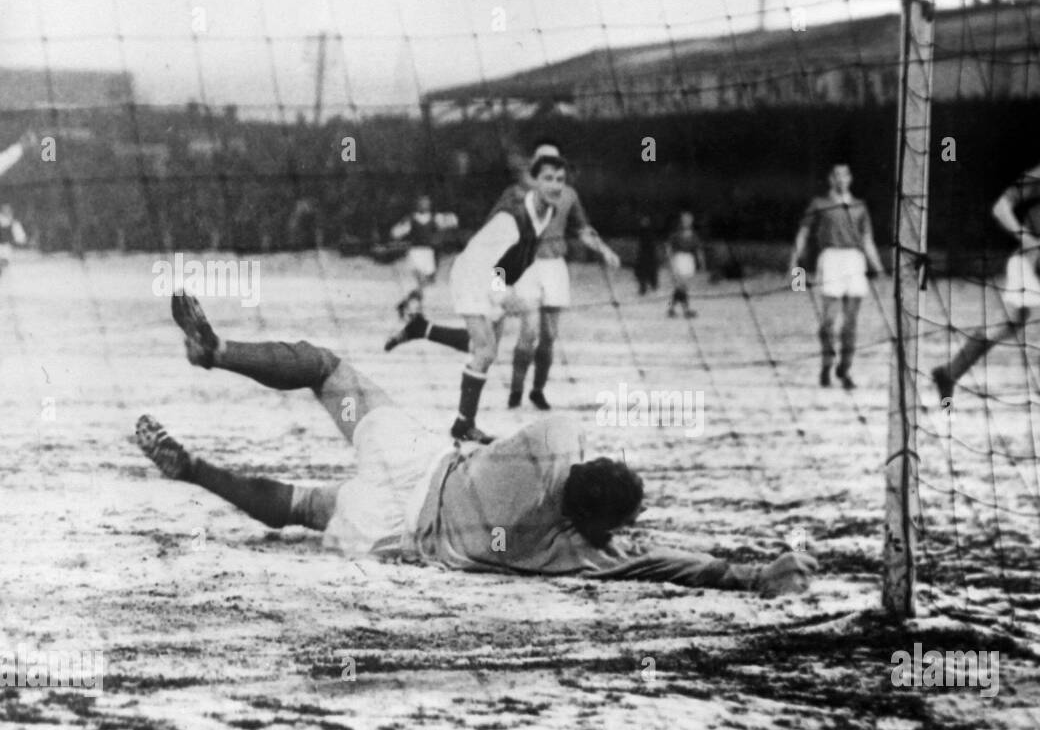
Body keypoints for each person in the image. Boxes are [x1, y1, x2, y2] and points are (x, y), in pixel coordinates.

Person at [137, 291, 817, 595]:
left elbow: (497, 437)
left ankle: (220, 351)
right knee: (298, 506)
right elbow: (668, 564)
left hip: (415, 452)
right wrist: (753, 576)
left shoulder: (559, 437)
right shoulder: (580, 556)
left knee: (322, 367)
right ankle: (194, 469)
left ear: (590, 466)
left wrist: (478, 434)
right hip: (397, 527)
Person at [383, 152, 570, 444]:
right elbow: (485, 262)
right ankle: (463, 424)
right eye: (548, 178)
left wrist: (514, 288)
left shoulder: (547, 212)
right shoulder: (512, 218)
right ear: (534, 182)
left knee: (481, 347)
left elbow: (517, 259)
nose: (555, 185)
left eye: (560, 179)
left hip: (493, 275)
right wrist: (502, 293)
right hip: (472, 274)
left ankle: (420, 328)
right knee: (485, 352)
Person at [930, 121, 1040, 438]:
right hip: (1034, 261)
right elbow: (1001, 208)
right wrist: (1027, 239)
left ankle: (948, 373)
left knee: (1006, 325)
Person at [492, 141, 621, 412]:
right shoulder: (516, 195)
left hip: (554, 267)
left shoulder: (568, 195)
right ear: (535, 168)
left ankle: (537, 391)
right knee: (528, 332)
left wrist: (604, 250)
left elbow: (583, 229)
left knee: (549, 335)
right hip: (527, 266)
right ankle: (515, 391)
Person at [790, 163, 888, 390]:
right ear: (830, 179)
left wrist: (879, 269)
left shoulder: (859, 207)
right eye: (837, 175)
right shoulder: (820, 204)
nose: (841, 179)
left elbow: (867, 240)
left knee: (851, 323)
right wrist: (794, 263)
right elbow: (804, 232)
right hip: (831, 259)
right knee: (828, 321)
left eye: (845, 174)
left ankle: (845, 368)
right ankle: (826, 364)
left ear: (850, 178)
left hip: (854, 260)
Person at [390, 194, 439, 319]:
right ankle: (417, 311)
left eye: (427, 203)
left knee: (426, 283)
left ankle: (404, 304)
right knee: (420, 281)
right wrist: (398, 234)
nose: (425, 205)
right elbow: (397, 232)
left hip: (428, 253)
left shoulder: (433, 218)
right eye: (422, 203)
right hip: (416, 252)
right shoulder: (412, 219)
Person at [665, 209, 706, 318]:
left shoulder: (694, 235)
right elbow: (669, 246)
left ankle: (672, 309)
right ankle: (685, 310)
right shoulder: (676, 234)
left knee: (682, 287)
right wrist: (670, 260)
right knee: (681, 286)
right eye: (685, 219)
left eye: (689, 219)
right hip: (679, 259)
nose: (687, 221)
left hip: (688, 260)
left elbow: (698, 249)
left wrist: (701, 262)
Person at [633, 215, 660, 295]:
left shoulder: (650, 232)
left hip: (649, 254)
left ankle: (651, 285)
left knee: (649, 271)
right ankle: (644, 287)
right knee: (641, 272)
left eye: (646, 221)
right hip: (643, 254)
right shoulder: (641, 231)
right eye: (643, 221)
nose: (644, 222)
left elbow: (652, 245)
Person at [0, 204, 28, 279]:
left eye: (8, 210)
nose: (7, 211)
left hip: (6, 246)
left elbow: (18, 232)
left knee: (5, 261)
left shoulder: (13, 222)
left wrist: (21, 239)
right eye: (5, 210)